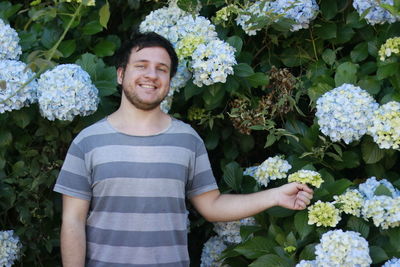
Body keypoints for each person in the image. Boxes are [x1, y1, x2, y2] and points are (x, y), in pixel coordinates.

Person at [54, 32, 313, 267]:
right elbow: (73, 221)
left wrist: (276, 196)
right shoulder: (87, 141)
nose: (151, 75)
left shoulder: (188, 139)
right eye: (141, 66)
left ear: (169, 80)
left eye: (162, 69)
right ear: (121, 74)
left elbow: (212, 205)